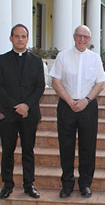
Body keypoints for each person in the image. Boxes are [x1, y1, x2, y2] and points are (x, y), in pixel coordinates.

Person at [50, 25, 105, 198]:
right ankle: (67, 184)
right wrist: (69, 101)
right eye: (79, 36)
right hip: (66, 107)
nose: (82, 40)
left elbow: (100, 82)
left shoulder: (95, 59)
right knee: (66, 146)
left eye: (86, 37)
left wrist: (86, 100)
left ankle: (85, 184)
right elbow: (55, 81)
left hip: (88, 107)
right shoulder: (63, 56)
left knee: (88, 147)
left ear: (90, 40)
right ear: (74, 36)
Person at [0, 24, 45, 199]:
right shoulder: (2, 60)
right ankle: (7, 184)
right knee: (7, 151)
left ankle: (29, 184)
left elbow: (40, 86)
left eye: (23, 36)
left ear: (27, 39)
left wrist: (26, 105)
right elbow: (0, 88)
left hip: (29, 114)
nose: (20, 39)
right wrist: (16, 106)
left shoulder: (36, 61)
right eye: (17, 36)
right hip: (8, 115)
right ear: (11, 38)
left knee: (28, 150)